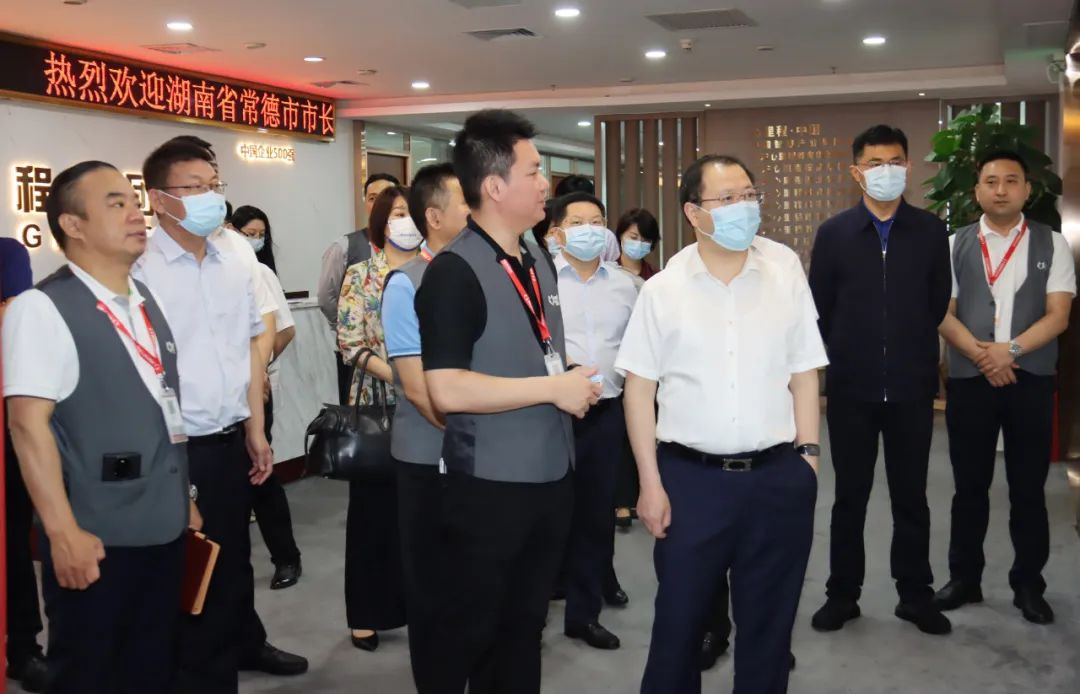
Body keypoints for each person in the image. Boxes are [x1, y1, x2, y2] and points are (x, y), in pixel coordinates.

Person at [617, 154, 826, 694]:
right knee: (679, 625)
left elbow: (805, 371)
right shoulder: (663, 289)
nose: (744, 207)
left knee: (770, 627)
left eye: (750, 195)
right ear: (694, 212)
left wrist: (808, 458)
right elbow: (639, 390)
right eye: (728, 198)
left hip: (777, 477)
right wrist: (649, 483)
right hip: (691, 481)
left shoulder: (783, 271)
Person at [415, 109, 601, 693]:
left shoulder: (535, 257)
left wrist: (567, 377)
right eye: (535, 171)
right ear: (495, 186)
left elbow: (531, 351)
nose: (546, 183)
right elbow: (446, 388)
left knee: (524, 627)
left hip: (550, 473)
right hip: (490, 487)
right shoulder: (453, 272)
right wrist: (552, 388)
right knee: (474, 630)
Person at [3, 161, 199, 694]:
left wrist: (183, 496)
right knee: (91, 673)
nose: (136, 214)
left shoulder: (144, 301)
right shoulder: (41, 308)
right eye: (116, 204)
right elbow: (27, 427)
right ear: (73, 225)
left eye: (134, 203)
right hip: (95, 538)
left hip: (163, 525)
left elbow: (162, 410)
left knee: (153, 668)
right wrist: (61, 532)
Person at [133, 140, 307, 693]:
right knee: (189, 568)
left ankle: (242, 645)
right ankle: (199, 672)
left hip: (234, 435)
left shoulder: (235, 253)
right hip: (178, 447)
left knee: (232, 559)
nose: (210, 197)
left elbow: (251, 345)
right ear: (159, 198)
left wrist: (255, 427)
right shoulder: (139, 267)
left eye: (214, 185)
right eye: (194, 187)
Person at [807, 124, 953, 636]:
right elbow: (820, 308)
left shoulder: (931, 231)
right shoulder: (834, 234)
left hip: (912, 388)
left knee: (912, 497)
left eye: (894, 162)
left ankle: (915, 595)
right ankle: (842, 595)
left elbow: (937, 302)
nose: (885, 171)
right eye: (874, 163)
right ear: (856, 172)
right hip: (852, 389)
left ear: (908, 167)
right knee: (850, 497)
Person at [933, 149, 1075, 625]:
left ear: (1027, 190)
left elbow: (1058, 315)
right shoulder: (953, 244)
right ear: (977, 191)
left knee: (1028, 489)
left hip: (1030, 380)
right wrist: (983, 356)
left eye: (1011, 181)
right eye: (991, 181)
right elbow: (942, 313)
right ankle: (964, 579)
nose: (1001, 190)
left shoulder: (1052, 243)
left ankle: (1028, 585)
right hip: (971, 381)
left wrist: (1008, 351)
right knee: (968, 487)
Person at [380, 162, 469, 690]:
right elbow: (417, 388)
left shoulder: (484, 273)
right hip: (429, 455)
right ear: (434, 217)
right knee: (434, 583)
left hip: (478, 455)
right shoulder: (406, 283)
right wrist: (476, 435)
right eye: (466, 202)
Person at [548, 192, 639, 651]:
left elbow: (638, 351)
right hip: (549, 412)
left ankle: (584, 616)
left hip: (605, 414)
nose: (589, 229)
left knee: (596, 515)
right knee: (545, 514)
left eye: (597, 221)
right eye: (577, 222)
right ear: (557, 232)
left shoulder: (625, 285)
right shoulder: (540, 281)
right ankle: (531, 611)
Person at [337, 184, 416, 651]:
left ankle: (420, 605)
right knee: (373, 515)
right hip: (380, 404)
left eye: (412, 212)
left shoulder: (437, 270)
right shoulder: (362, 274)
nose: (406, 221)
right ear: (381, 222)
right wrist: (402, 378)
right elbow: (350, 343)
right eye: (397, 213)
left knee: (424, 513)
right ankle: (367, 613)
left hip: (435, 406)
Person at [231, 204, 302, 590]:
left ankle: (286, 557)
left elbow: (285, 330)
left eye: (260, 235)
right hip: (216, 397)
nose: (254, 241)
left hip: (257, 393)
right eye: (249, 233)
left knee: (260, 474)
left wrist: (259, 368)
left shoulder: (258, 273)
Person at [2, 236, 46, 693]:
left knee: (12, 541)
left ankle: (23, 648)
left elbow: (12, 320)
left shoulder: (6, 254)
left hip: (7, 425)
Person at [320, 173, 401, 404]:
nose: (380, 204)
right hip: (373, 379)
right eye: (373, 198)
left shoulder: (430, 266)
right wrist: (346, 324)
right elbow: (327, 297)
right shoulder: (347, 248)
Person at [614, 207, 660, 287]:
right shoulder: (608, 272)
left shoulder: (656, 277)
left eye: (645, 240)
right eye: (633, 237)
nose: (639, 243)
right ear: (621, 235)